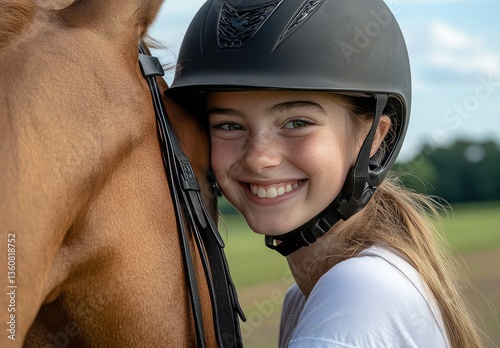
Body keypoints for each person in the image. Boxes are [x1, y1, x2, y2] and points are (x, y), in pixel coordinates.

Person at [167, 0, 483, 347]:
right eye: (229, 125)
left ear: (373, 136)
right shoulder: (310, 293)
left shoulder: (358, 295)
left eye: (297, 123)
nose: (259, 159)